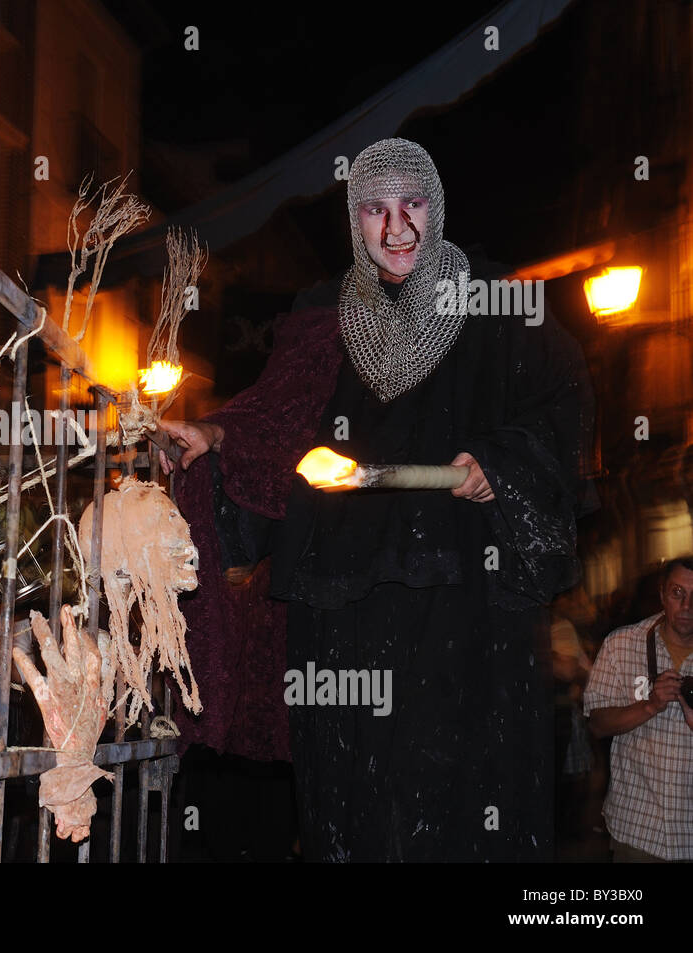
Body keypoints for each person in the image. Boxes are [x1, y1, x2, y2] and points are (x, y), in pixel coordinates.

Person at [162, 138, 596, 861]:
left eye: (413, 205)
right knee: (353, 800)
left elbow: (564, 407)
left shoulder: (497, 304)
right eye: (375, 210)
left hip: (468, 598)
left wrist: (501, 461)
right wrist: (214, 433)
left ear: (439, 206)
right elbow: (275, 416)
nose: (396, 228)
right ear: (353, 221)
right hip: (342, 606)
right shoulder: (318, 317)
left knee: (461, 797)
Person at [584, 557, 693, 862]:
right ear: (662, 594)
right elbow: (597, 724)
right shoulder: (621, 646)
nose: (687, 606)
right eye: (677, 593)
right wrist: (650, 705)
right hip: (638, 827)